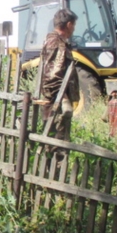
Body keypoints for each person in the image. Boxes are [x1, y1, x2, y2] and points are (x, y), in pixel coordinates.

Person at [39, 8, 80, 145]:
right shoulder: (57, 43)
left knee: (54, 139)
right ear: (69, 25)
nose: (74, 29)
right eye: (73, 25)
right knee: (58, 142)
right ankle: (55, 164)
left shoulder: (52, 40)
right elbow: (52, 74)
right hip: (55, 102)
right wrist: (63, 98)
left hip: (54, 100)